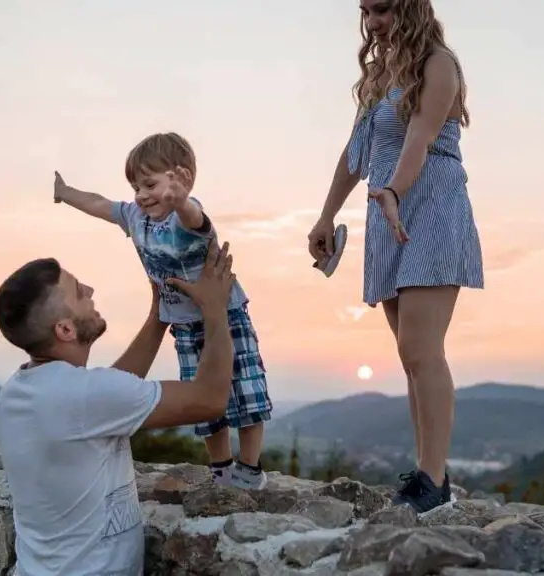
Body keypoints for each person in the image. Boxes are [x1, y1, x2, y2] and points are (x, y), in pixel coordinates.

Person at [307, 0, 483, 514]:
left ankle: (433, 480)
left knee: (421, 348)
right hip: (388, 214)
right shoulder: (381, 74)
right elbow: (353, 152)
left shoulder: (439, 65)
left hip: (430, 206)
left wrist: (395, 193)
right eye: (367, 11)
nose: (373, 22)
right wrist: (325, 215)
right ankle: (429, 476)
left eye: (382, 9)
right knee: (410, 358)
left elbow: (420, 140)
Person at [0, 239, 237, 575]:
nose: (90, 290)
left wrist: (159, 316)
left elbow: (108, 396)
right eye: (78, 292)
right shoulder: (85, 396)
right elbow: (209, 398)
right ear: (64, 329)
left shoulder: (17, 392)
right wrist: (215, 310)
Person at [53, 132, 273, 490]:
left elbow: (195, 218)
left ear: (179, 177)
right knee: (200, 393)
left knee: (245, 388)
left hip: (226, 315)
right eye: (136, 186)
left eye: (150, 184)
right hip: (184, 324)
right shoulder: (136, 217)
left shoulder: (185, 215)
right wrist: (65, 193)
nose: (141, 194)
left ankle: (249, 467)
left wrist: (182, 200)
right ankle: (220, 466)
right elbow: (99, 203)